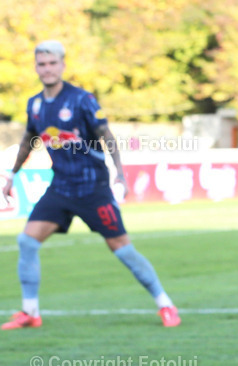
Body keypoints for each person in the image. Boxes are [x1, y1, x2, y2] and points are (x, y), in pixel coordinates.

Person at [2, 41, 180, 330]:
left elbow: (106, 135)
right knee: (27, 241)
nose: (47, 69)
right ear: (36, 67)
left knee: (123, 249)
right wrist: (12, 174)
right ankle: (30, 312)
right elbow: (28, 140)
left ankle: (166, 305)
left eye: (52, 63)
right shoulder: (34, 104)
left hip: (93, 189)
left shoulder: (82, 99)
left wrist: (119, 173)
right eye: (42, 64)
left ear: (62, 65)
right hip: (60, 188)